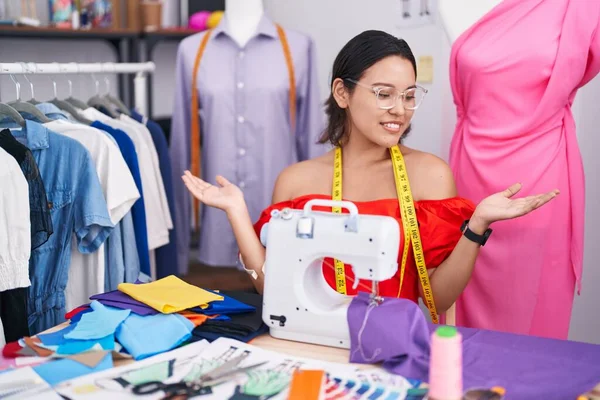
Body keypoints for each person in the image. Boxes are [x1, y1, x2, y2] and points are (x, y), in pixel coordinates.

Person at [181, 30, 558, 314]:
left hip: (395, 352)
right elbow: (275, 292)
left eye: (409, 96)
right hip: (315, 346)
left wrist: (475, 226)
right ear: (342, 93)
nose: (400, 109)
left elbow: (437, 299)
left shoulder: (429, 174)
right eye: (383, 93)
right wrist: (237, 213)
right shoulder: (296, 181)